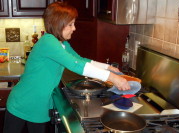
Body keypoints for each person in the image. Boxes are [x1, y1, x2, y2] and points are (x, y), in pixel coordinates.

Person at [3, 1, 130, 133]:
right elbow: (75, 65)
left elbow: (80, 60)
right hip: (23, 102)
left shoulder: (62, 44)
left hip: (39, 105)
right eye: (70, 24)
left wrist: (108, 68)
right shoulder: (48, 42)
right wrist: (113, 78)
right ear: (58, 24)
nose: (74, 28)